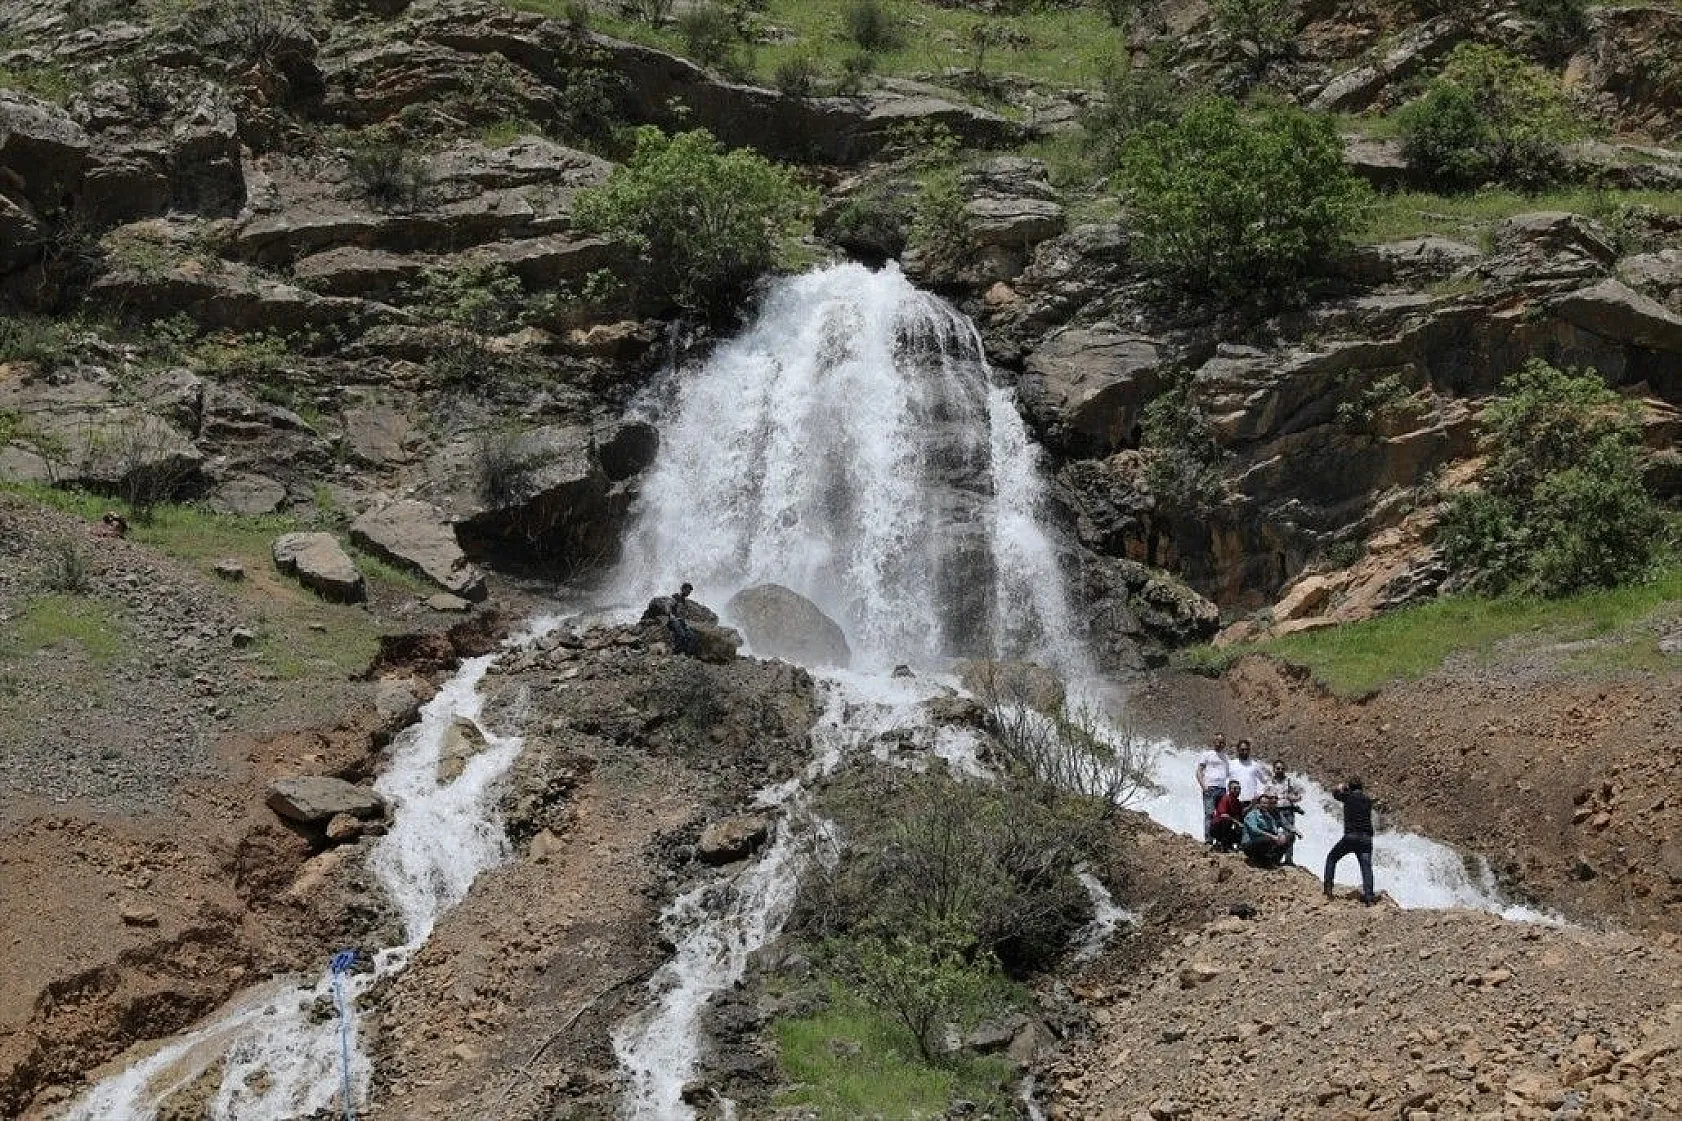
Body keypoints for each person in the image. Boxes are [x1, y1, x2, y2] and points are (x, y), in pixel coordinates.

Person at [1324, 777, 1377, 905]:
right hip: (1366, 838)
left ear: (1350, 788)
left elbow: (1335, 793)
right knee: (1366, 868)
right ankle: (1369, 897)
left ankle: (1328, 889)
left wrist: (1341, 787)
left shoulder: (1347, 797)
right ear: (1361, 787)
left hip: (1351, 836)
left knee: (1332, 858)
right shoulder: (1367, 800)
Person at [1261, 762, 1304, 865]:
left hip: (1288, 810)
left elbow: (1301, 793)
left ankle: (1288, 859)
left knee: (1290, 834)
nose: (1280, 770)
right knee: (1274, 833)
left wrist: (1294, 798)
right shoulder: (1269, 782)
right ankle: (1275, 856)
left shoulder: (1290, 781)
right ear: (1274, 769)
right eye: (1277, 768)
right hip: (1274, 810)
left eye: (1282, 768)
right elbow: (1265, 795)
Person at [1195, 734, 1231, 843]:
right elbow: (1199, 771)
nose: (1219, 744)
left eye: (1222, 742)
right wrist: (1204, 786)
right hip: (1210, 788)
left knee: (1221, 815)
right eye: (1218, 741)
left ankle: (1219, 840)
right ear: (1214, 742)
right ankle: (1208, 840)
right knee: (1209, 814)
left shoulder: (1226, 757)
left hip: (1222, 789)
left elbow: (1228, 773)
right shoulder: (1207, 754)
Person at [1241, 792, 1292, 869]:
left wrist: (1280, 836)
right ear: (1258, 804)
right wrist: (1272, 836)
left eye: (1267, 803)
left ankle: (1273, 861)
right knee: (1268, 840)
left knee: (1288, 838)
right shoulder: (1252, 814)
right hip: (1249, 844)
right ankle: (1258, 860)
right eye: (1263, 803)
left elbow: (1274, 829)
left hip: (1263, 841)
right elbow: (1254, 830)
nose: (1265, 805)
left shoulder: (1268, 816)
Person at [1228, 738, 1268, 804]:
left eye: (1247, 750)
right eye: (1242, 750)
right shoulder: (1231, 764)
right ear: (1238, 750)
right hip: (1234, 801)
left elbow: (1264, 781)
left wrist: (1259, 794)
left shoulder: (1255, 765)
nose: (1245, 752)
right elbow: (1226, 780)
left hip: (1251, 802)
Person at [1209, 780, 1245, 851]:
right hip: (1217, 827)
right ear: (1229, 789)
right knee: (1227, 821)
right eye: (1234, 788)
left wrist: (1252, 805)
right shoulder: (1225, 799)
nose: (1237, 791)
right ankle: (1223, 845)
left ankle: (1235, 844)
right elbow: (1224, 815)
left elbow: (1241, 813)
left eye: (1239, 789)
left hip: (1228, 828)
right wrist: (1237, 823)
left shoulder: (1237, 802)